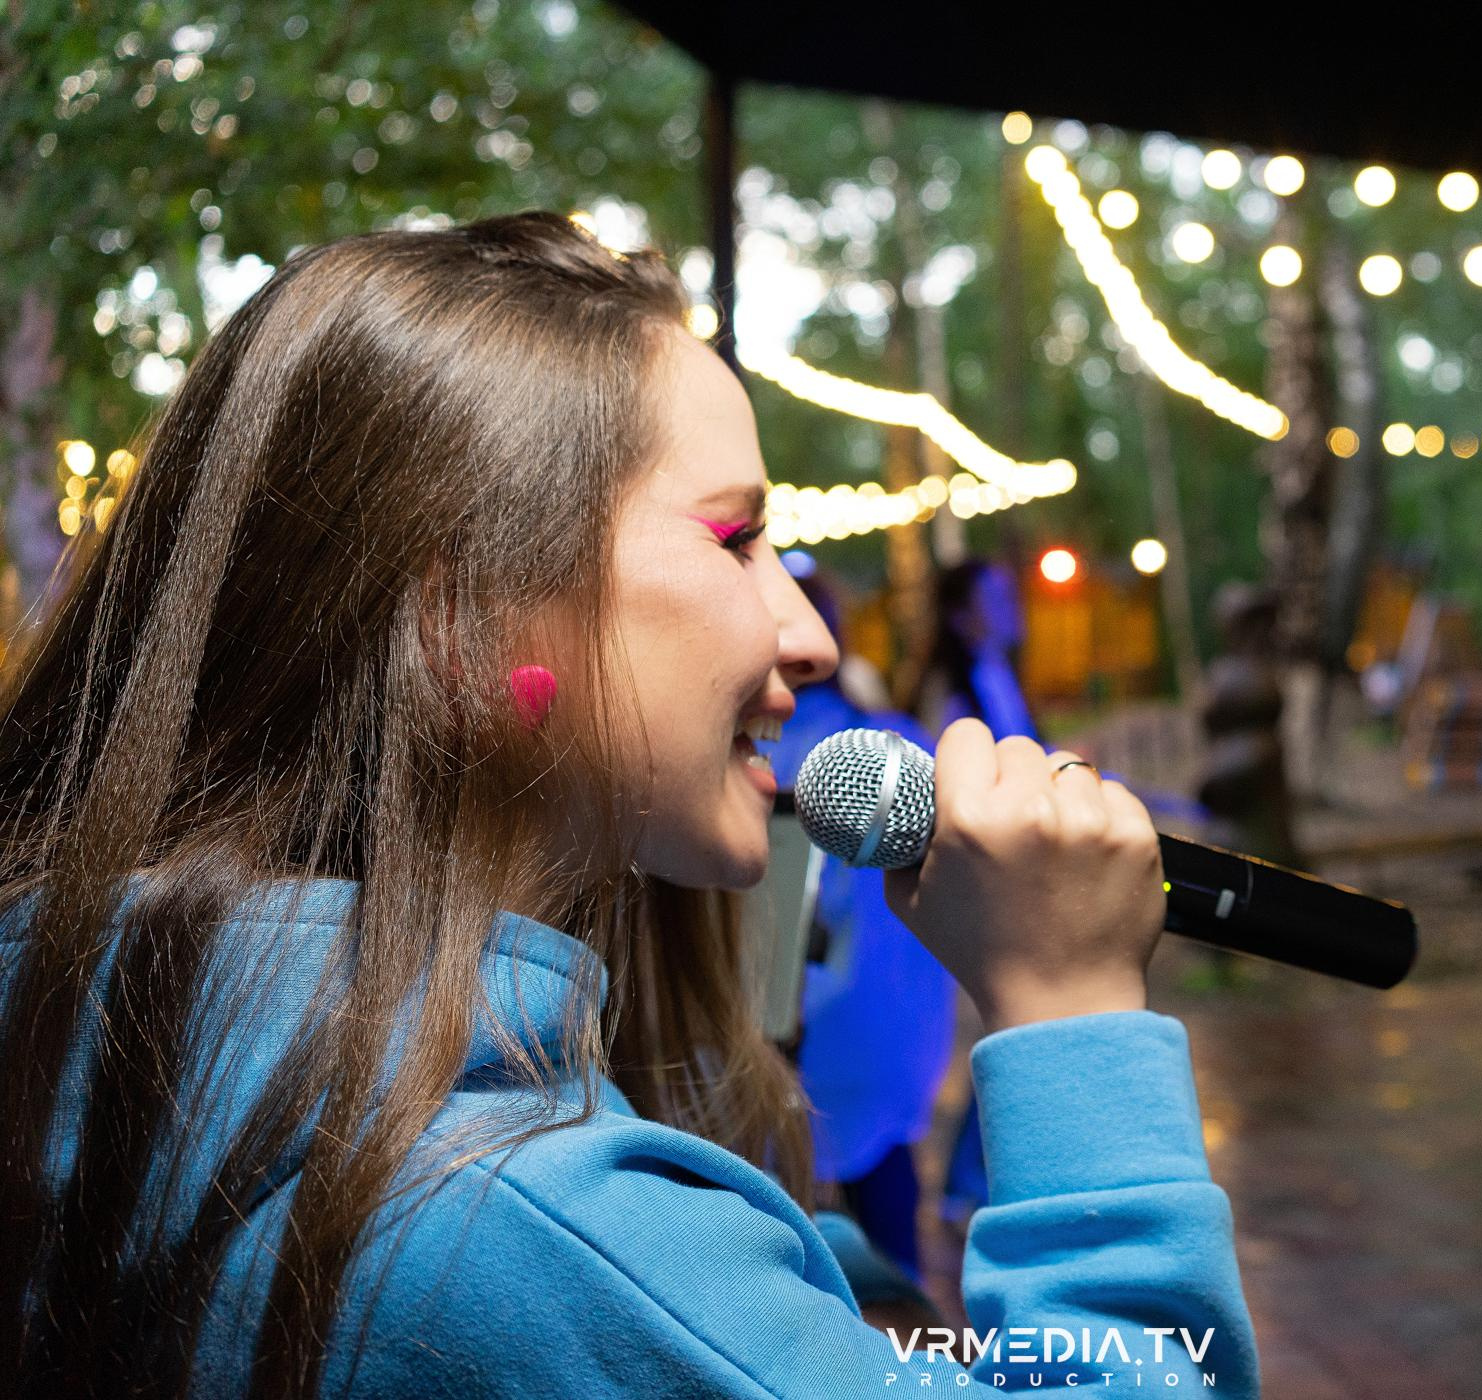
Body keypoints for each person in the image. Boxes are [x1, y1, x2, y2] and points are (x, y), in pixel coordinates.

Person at [0, 212, 1256, 1396]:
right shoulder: (527, 1224)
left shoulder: (104, 1036)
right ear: (463, 621)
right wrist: (1072, 1012)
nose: (811, 636)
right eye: (734, 541)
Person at [770, 567, 954, 1285]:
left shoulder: (769, 760)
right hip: (894, 1031)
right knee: (890, 1229)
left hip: (806, 1034)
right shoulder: (898, 742)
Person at [916, 558, 1038, 1227]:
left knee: (1014, 1021)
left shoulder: (997, 673)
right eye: (997, 594)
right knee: (1003, 1023)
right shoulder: (952, 690)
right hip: (985, 883)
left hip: (1018, 877)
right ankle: (964, 1184)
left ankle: (974, 1181)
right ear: (964, 612)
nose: (1011, 601)